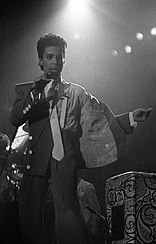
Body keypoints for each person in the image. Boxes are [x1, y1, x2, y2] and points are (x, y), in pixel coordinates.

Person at [10, 33, 151, 244]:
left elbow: (99, 122)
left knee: (69, 218)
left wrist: (129, 118)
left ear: (65, 59)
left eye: (60, 57)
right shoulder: (27, 90)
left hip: (64, 161)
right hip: (35, 162)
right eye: (49, 57)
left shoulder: (77, 93)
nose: (55, 62)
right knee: (30, 222)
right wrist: (37, 95)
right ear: (40, 60)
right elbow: (15, 118)